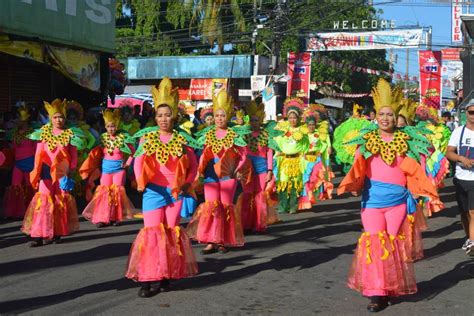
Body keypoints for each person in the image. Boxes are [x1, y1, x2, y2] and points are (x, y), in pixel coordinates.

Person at [337, 79, 442, 312]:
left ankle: (388, 287)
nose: (385, 118)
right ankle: (376, 293)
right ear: (376, 116)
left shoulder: (407, 139)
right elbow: (356, 165)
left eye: (390, 115)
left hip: (398, 202)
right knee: (375, 244)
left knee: (392, 245)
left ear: (396, 118)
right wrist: (353, 183)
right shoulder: (367, 139)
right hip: (372, 201)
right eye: (382, 114)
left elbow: (425, 156)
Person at [125, 77, 198, 297]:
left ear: (174, 116)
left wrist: (187, 183)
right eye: (159, 115)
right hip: (153, 192)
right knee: (151, 234)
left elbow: (194, 167)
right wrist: (139, 181)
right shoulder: (147, 138)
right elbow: (138, 161)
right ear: (155, 117)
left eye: (167, 115)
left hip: (175, 193)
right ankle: (147, 279)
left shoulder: (183, 139)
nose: (164, 119)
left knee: (169, 234)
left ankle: (166, 275)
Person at [187, 90, 250, 254]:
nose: (219, 119)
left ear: (228, 117)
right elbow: (201, 155)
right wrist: (199, 173)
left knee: (225, 207)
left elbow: (243, 156)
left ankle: (223, 240)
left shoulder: (235, 134)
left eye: (222, 115)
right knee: (211, 208)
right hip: (210, 175)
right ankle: (210, 240)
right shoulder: (207, 134)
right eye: (217, 116)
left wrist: (236, 169)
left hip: (228, 176)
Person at [22, 99, 87, 246]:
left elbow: (74, 154)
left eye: (61, 117)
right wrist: (36, 172)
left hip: (62, 173)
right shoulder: (43, 133)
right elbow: (38, 153)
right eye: (56, 117)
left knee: (59, 201)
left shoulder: (70, 134)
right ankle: (39, 234)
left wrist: (71, 169)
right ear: (51, 118)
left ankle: (56, 232)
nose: (59, 120)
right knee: (44, 201)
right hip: (45, 171)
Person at [79, 109, 135, 228]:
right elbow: (97, 152)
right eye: (109, 126)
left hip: (119, 170)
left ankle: (115, 217)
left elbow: (133, 152)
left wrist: (127, 163)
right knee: (103, 193)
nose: (111, 129)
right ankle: (102, 217)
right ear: (105, 127)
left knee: (116, 192)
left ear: (117, 125)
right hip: (106, 169)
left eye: (113, 126)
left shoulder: (124, 137)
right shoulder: (103, 138)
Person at [236, 101, 280, 234]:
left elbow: (269, 152)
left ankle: (260, 224)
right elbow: (240, 153)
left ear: (260, 121)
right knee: (247, 195)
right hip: (247, 169)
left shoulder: (265, 135)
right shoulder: (243, 135)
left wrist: (270, 170)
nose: (254, 122)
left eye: (257, 120)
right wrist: (238, 168)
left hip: (262, 168)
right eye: (252, 120)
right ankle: (246, 223)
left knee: (260, 196)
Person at [446, 102, 474, 256]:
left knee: (473, 211)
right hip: (461, 179)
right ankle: (469, 236)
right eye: (471, 113)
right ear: (466, 113)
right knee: (464, 213)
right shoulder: (458, 132)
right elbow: (449, 152)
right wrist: (461, 159)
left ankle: (472, 241)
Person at [273, 98, 309, 213]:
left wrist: (304, 156)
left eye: (294, 118)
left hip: (297, 161)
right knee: (283, 182)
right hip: (284, 161)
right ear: (287, 118)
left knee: (296, 184)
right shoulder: (283, 129)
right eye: (290, 118)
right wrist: (276, 153)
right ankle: (283, 205)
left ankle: (293, 206)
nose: (292, 120)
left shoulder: (303, 130)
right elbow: (276, 141)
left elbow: (306, 145)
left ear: (298, 118)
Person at [3, 105, 37, 219]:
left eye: (17, 118)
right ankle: (15, 211)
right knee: (15, 186)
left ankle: (30, 210)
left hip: (30, 163)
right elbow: (13, 149)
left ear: (24, 119)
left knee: (29, 186)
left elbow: (37, 150)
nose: (15, 121)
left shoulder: (33, 133)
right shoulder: (14, 133)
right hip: (18, 163)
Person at [299, 104, 334, 210]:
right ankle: (307, 200)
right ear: (306, 125)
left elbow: (324, 143)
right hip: (306, 160)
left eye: (313, 124)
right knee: (306, 180)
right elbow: (300, 146)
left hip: (317, 160)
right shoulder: (303, 135)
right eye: (309, 125)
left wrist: (328, 148)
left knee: (319, 177)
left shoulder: (319, 134)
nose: (311, 126)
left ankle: (320, 193)